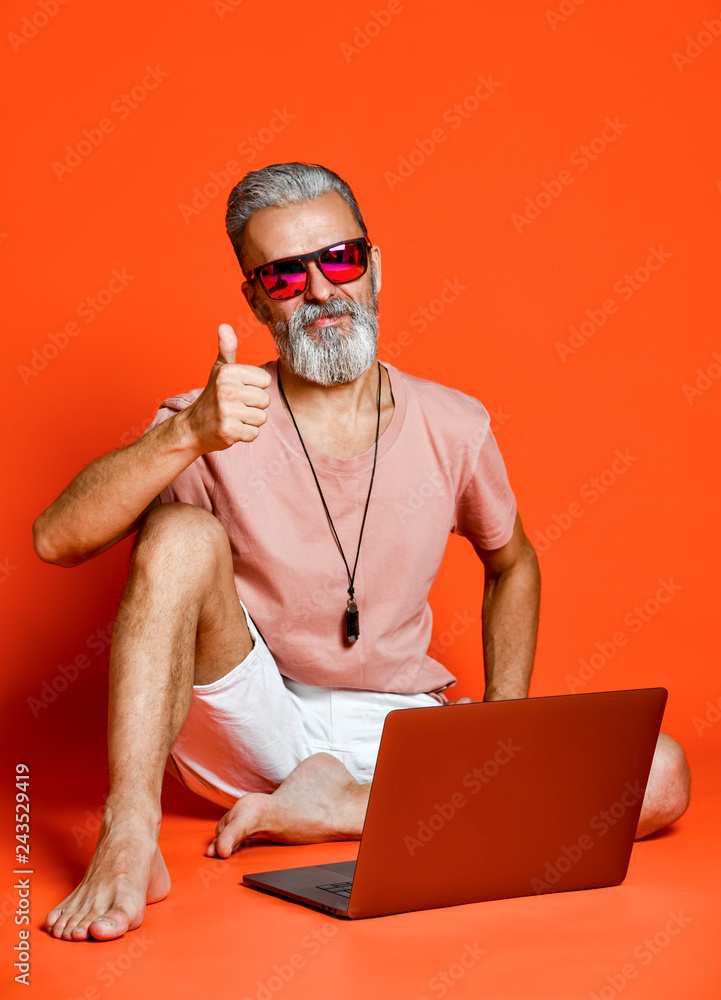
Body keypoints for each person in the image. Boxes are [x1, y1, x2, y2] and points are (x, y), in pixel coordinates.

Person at [33, 162, 691, 943]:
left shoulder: (453, 424)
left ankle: (336, 808)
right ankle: (130, 834)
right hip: (253, 718)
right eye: (283, 275)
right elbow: (55, 540)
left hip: (399, 730)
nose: (320, 292)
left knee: (661, 773)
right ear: (253, 299)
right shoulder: (214, 418)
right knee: (177, 532)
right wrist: (185, 434)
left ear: (373, 267)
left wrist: (504, 723)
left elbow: (512, 561)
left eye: (338, 260)